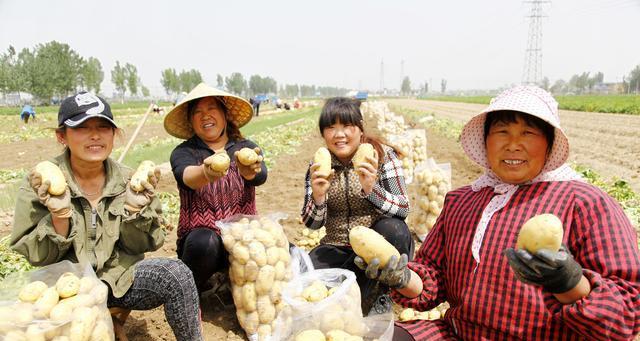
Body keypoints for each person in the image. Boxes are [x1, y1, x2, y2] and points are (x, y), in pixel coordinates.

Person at [356, 86, 640, 340]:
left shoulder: (586, 203)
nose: (513, 144)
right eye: (502, 131)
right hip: (458, 334)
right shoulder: (462, 201)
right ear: (485, 141)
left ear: (550, 143)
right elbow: (434, 279)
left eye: (528, 133)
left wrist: (569, 283)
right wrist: (402, 278)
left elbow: (627, 317)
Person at [11, 91, 203, 341]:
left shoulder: (130, 180)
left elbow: (148, 243)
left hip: (119, 280)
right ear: (62, 136)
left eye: (103, 127)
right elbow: (37, 256)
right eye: (82, 127)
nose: (94, 135)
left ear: (114, 134)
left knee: (176, 274)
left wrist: (134, 213)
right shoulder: (42, 182)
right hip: (66, 291)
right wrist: (59, 217)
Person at [301, 97, 412, 314]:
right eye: (331, 127)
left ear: (360, 130)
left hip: (375, 248)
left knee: (395, 229)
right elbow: (312, 225)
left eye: (346, 126)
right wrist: (318, 196)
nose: (339, 134)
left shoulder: (382, 157)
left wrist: (372, 190)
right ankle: (358, 290)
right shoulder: (318, 166)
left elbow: (403, 208)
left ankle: (382, 293)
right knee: (308, 278)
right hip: (336, 245)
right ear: (323, 134)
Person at [164, 83, 267, 293]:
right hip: (202, 243)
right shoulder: (184, 152)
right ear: (191, 121)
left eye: (211, 109)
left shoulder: (245, 147)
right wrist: (206, 173)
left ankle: (234, 283)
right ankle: (189, 295)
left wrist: (249, 172)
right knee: (205, 242)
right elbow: (186, 177)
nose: (205, 116)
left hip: (242, 237)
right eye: (198, 112)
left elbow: (260, 176)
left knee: (281, 247)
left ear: (224, 114)